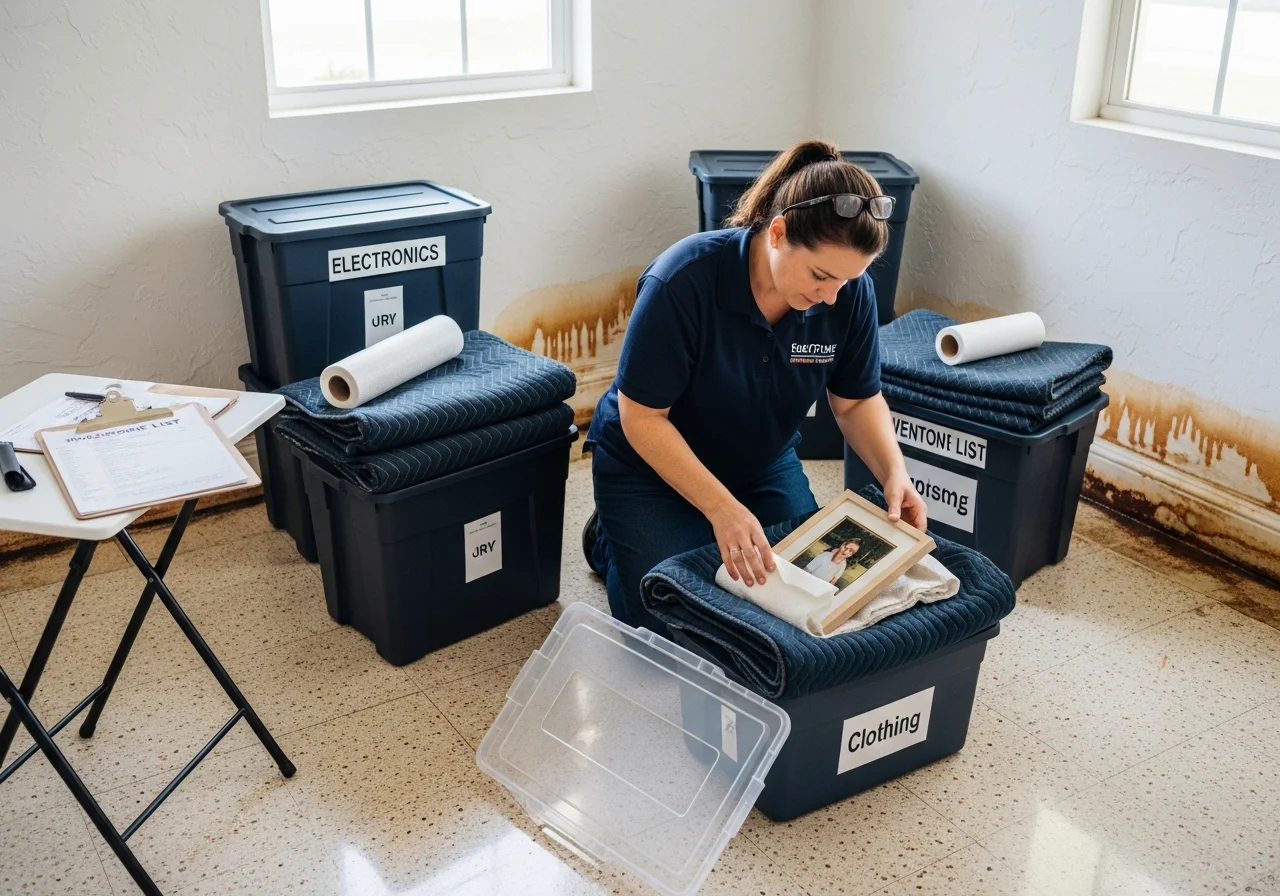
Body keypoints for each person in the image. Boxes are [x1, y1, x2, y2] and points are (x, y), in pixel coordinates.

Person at [583, 138, 928, 634]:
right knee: (670, 618)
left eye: (847, 282)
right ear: (778, 232)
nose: (832, 297)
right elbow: (643, 418)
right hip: (649, 467)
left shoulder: (848, 293)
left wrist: (894, 472)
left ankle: (685, 526)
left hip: (759, 462)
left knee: (803, 595)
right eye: (821, 275)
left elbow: (855, 402)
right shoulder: (681, 281)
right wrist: (721, 509)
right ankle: (608, 536)